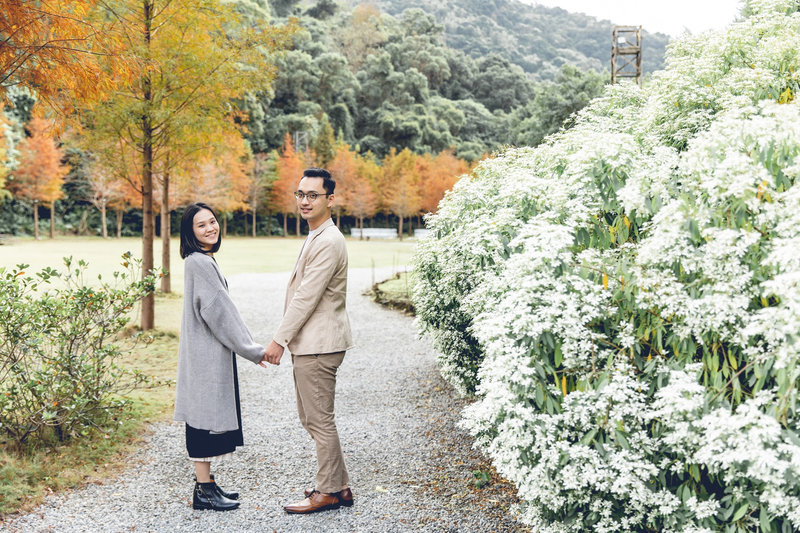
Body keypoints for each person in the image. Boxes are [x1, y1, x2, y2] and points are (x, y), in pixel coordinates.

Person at [263, 167, 354, 514]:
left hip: (319, 344)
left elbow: (306, 297)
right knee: (313, 417)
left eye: (312, 195)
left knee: (318, 419)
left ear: (330, 199)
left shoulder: (329, 240)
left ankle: (328, 491)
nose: (304, 201)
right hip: (315, 343)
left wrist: (278, 341)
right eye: (300, 194)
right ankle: (340, 486)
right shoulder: (318, 234)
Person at [174, 202, 267, 512]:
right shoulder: (199, 262)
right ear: (190, 232)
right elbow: (220, 312)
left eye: (212, 221)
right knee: (202, 420)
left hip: (203, 352)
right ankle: (203, 490)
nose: (210, 228)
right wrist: (253, 350)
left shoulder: (201, 260)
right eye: (201, 225)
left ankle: (207, 486)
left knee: (203, 416)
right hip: (205, 354)